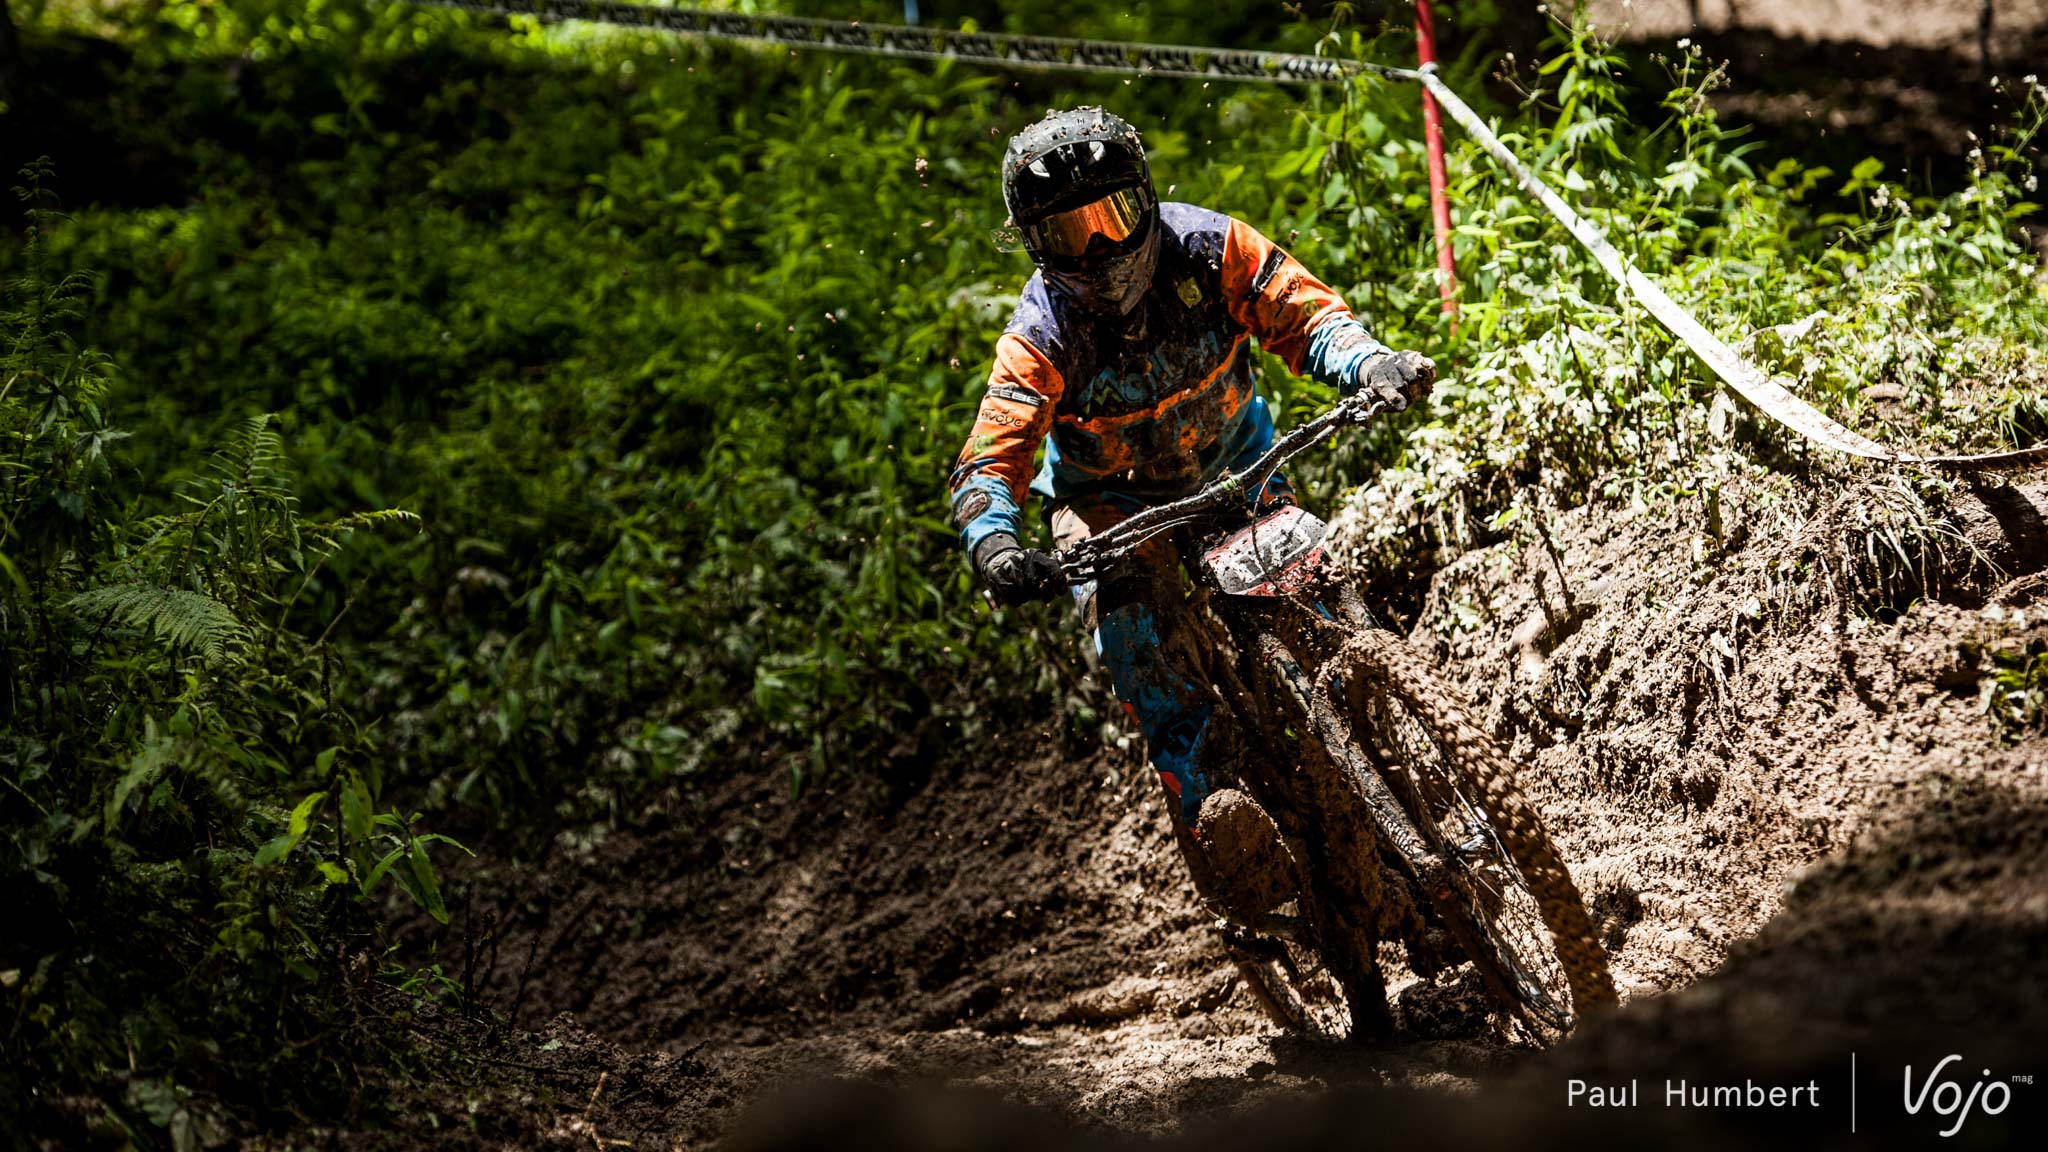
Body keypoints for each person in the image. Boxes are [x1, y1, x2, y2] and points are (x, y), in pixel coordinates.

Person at [947, 106, 1434, 908]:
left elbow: (1307, 314)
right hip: (1111, 511)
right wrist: (995, 545)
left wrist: (1370, 362)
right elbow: (991, 455)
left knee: (1334, 610)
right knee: (1139, 644)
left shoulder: (1212, 248)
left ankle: (1405, 748)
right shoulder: (1040, 334)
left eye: (1114, 219)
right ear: (1035, 248)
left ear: (1146, 198)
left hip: (1238, 467)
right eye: (1069, 236)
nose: (1100, 251)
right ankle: (1218, 818)